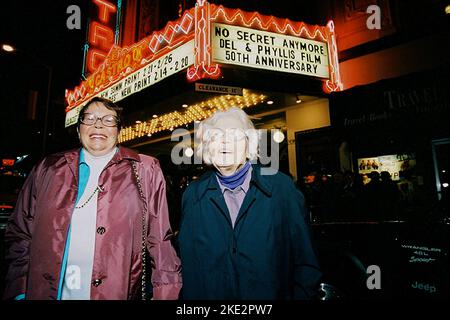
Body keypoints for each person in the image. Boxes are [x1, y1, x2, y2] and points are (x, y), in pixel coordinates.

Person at [3, 97, 182, 300]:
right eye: (90, 118)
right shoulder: (48, 168)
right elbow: (20, 232)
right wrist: (20, 289)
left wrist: (165, 294)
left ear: (119, 130)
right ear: (79, 129)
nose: (98, 124)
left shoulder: (145, 169)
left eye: (108, 119)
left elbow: (160, 241)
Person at [178, 107, 322, 299]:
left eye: (235, 135)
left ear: (249, 145)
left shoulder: (281, 189)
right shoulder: (193, 196)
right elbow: (190, 269)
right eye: (215, 136)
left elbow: (306, 264)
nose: (225, 142)